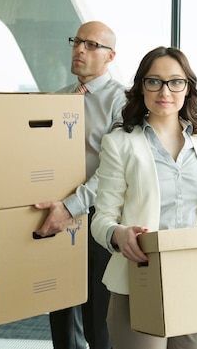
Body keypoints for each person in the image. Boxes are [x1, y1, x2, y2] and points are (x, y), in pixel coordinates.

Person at [90, 46, 197, 349]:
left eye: (175, 81)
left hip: (195, 280)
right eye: (154, 81)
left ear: (188, 87)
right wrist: (119, 234)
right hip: (139, 281)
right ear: (142, 87)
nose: (165, 90)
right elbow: (101, 220)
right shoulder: (120, 143)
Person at [34, 21, 127, 349]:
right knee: (59, 312)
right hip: (55, 214)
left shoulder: (122, 102)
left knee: (97, 321)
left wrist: (71, 206)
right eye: (76, 41)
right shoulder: (58, 98)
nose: (79, 50)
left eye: (91, 45)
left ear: (110, 55)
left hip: (97, 219)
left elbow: (113, 170)